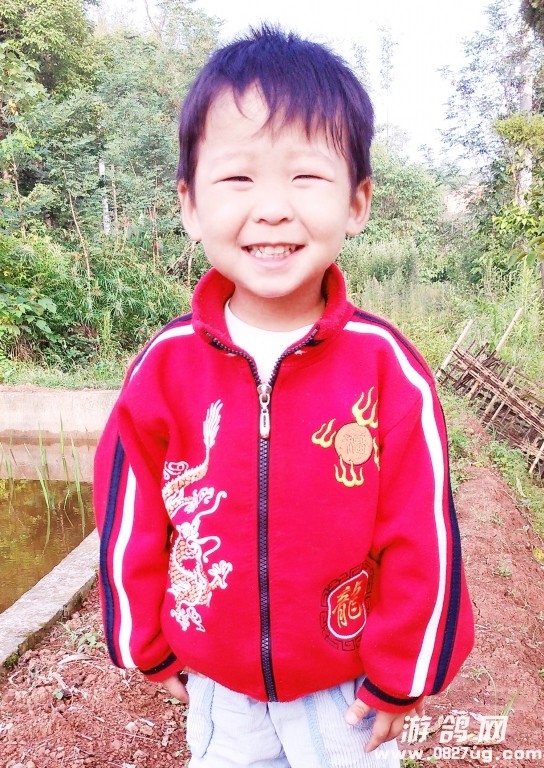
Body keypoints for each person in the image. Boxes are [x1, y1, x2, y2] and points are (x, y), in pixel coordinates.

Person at [94, 25, 474, 768]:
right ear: (190, 204)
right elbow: (128, 509)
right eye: (237, 179)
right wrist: (143, 640)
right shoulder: (165, 369)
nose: (271, 208)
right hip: (220, 686)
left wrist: (403, 675)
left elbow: (422, 533)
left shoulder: (387, 369)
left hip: (346, 686)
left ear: (357, 203)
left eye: (305, 177)